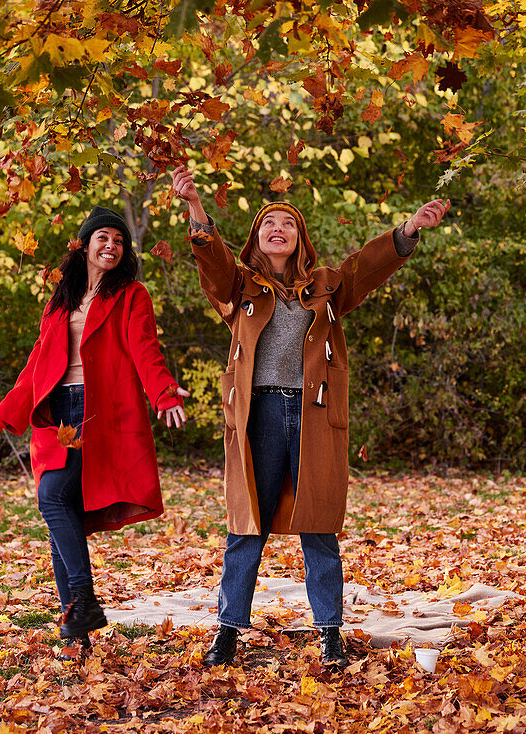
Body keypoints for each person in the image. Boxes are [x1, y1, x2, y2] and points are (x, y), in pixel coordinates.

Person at [171, 165, 449, 668]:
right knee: (246, 525)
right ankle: (228, 632)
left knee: (319, 526)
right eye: (268, 224)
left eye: (288, 224)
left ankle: (330, 634)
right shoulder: (238, 286)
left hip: (313, 412)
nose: (278, 229)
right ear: (256, 237)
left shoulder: (325, 285)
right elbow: (211, 262)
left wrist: (409, 228)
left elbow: (366, 266)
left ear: (299, 239)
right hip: (258, 414)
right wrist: (194, 206)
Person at [0, 206, 190, 650]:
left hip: (99, 411)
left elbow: (145, 347)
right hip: (58, 413)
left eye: (119, 240)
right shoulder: (61, 298)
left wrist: (164, 391)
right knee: (59, 513)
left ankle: (83, 603)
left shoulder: (132, 295)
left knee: (53, 499)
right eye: (103, 238)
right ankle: (76, 631)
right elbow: (35, 366)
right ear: (85, 244)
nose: (111, 246)